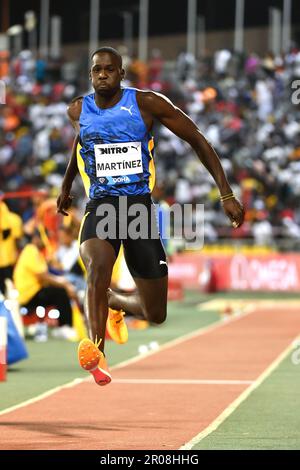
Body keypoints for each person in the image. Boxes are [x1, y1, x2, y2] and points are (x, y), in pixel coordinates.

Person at [57, 46, 245, 386]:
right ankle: (97, 355)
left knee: (155, 313)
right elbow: (82, 143)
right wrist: (66, 186)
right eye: (97, 69)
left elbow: (197, 139)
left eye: (110, 69)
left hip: (138, 209)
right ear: (90, 75)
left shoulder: (146, 104)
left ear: (121, 74)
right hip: (101, 206)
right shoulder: (77, 110)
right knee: (97, 266)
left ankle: (114, 301)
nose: (103, 74)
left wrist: (226, 192)